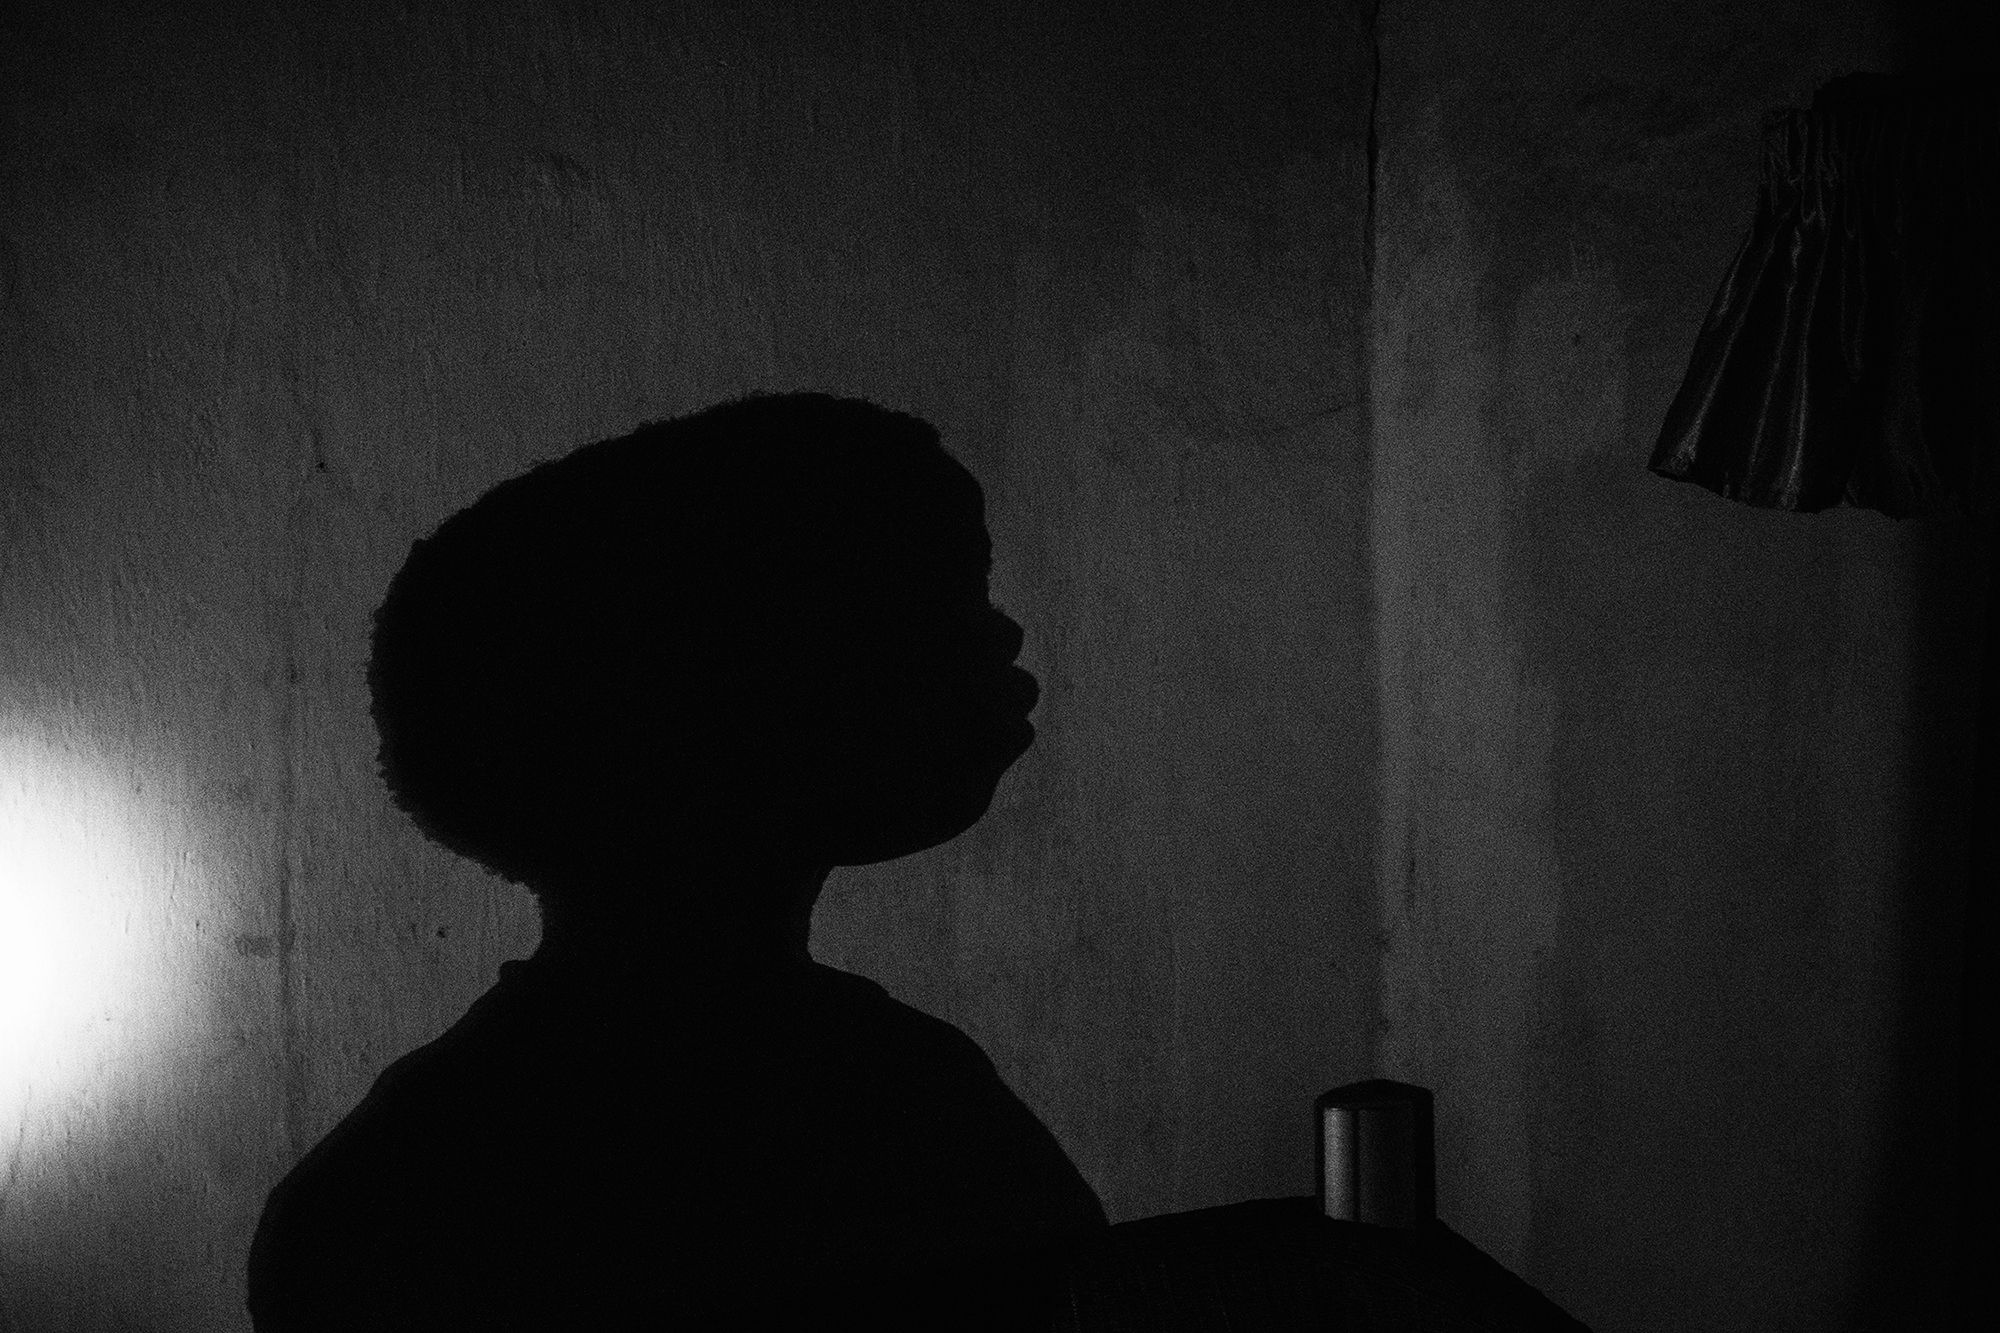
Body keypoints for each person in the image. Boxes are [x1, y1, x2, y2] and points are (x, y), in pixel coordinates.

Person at [246, 392, 1108, 1330]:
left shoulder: (405, 1175)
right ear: (735, 680)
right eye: (932, 596)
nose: (1003, 634)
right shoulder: (888, 1116)